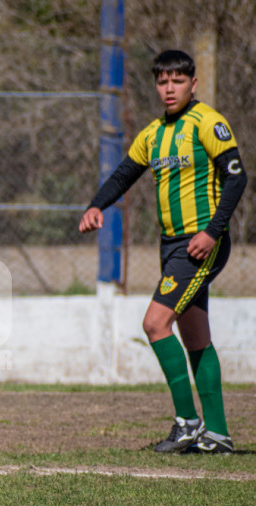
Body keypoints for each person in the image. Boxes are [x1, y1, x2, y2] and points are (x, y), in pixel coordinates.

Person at [79, 50, 247, 454]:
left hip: (200, 242)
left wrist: (211, 232)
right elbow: (124, 173)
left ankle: (188, 423)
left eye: (177, 80)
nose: (169, 88)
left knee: (155, 324)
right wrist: (96, 204)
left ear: (193, 83)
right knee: (194, 336)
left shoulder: (208, 122)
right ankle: (218, 434)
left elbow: (237, 179)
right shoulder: (153, 133)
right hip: (172, 244)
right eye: (162, 81)